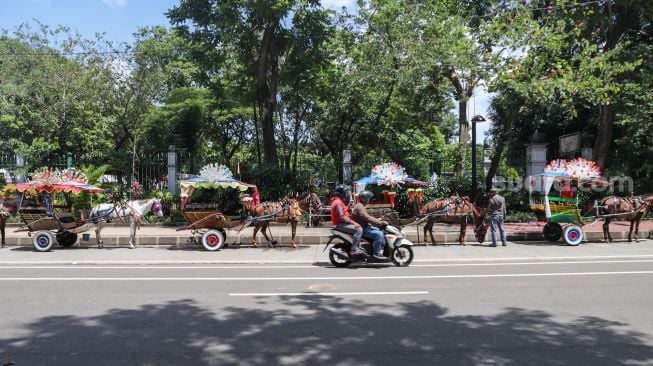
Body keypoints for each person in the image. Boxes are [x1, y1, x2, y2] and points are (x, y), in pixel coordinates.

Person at [351, 190, 389, 261]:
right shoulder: (359, 207)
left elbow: (368, 217)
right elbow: (367, 218)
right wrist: (380, 222)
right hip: (363, 228)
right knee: (379, 234)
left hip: (365, 226)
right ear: (365, 198)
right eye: (368, 198)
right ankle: (376, 254)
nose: (369, 200)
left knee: (380, 231)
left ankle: (373, 250)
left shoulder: (361, 206)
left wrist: (378, 219)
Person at [330, 184, 364, 256]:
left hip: (341, 223)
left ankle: (357, 246)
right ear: (342, 193)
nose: (347, 194)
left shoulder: (338, 201)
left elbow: (344, 212)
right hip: (340, 224)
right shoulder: (338, 202)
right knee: (359, 229)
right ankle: (354, 249)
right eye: (345, 192)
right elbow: (342, 217)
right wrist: (353, 223)